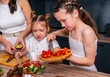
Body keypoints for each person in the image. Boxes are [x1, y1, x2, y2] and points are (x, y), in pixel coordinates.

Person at [47, 0, 98, 71]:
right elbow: (64, 32)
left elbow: (90, 61)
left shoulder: (86, 31)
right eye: (60, 21)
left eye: (64, 20)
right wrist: (54, 33)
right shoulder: (71, 28)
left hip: (87, 72)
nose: (62, 25)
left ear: (75, 13)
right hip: (73, 69)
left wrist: (64, 56)